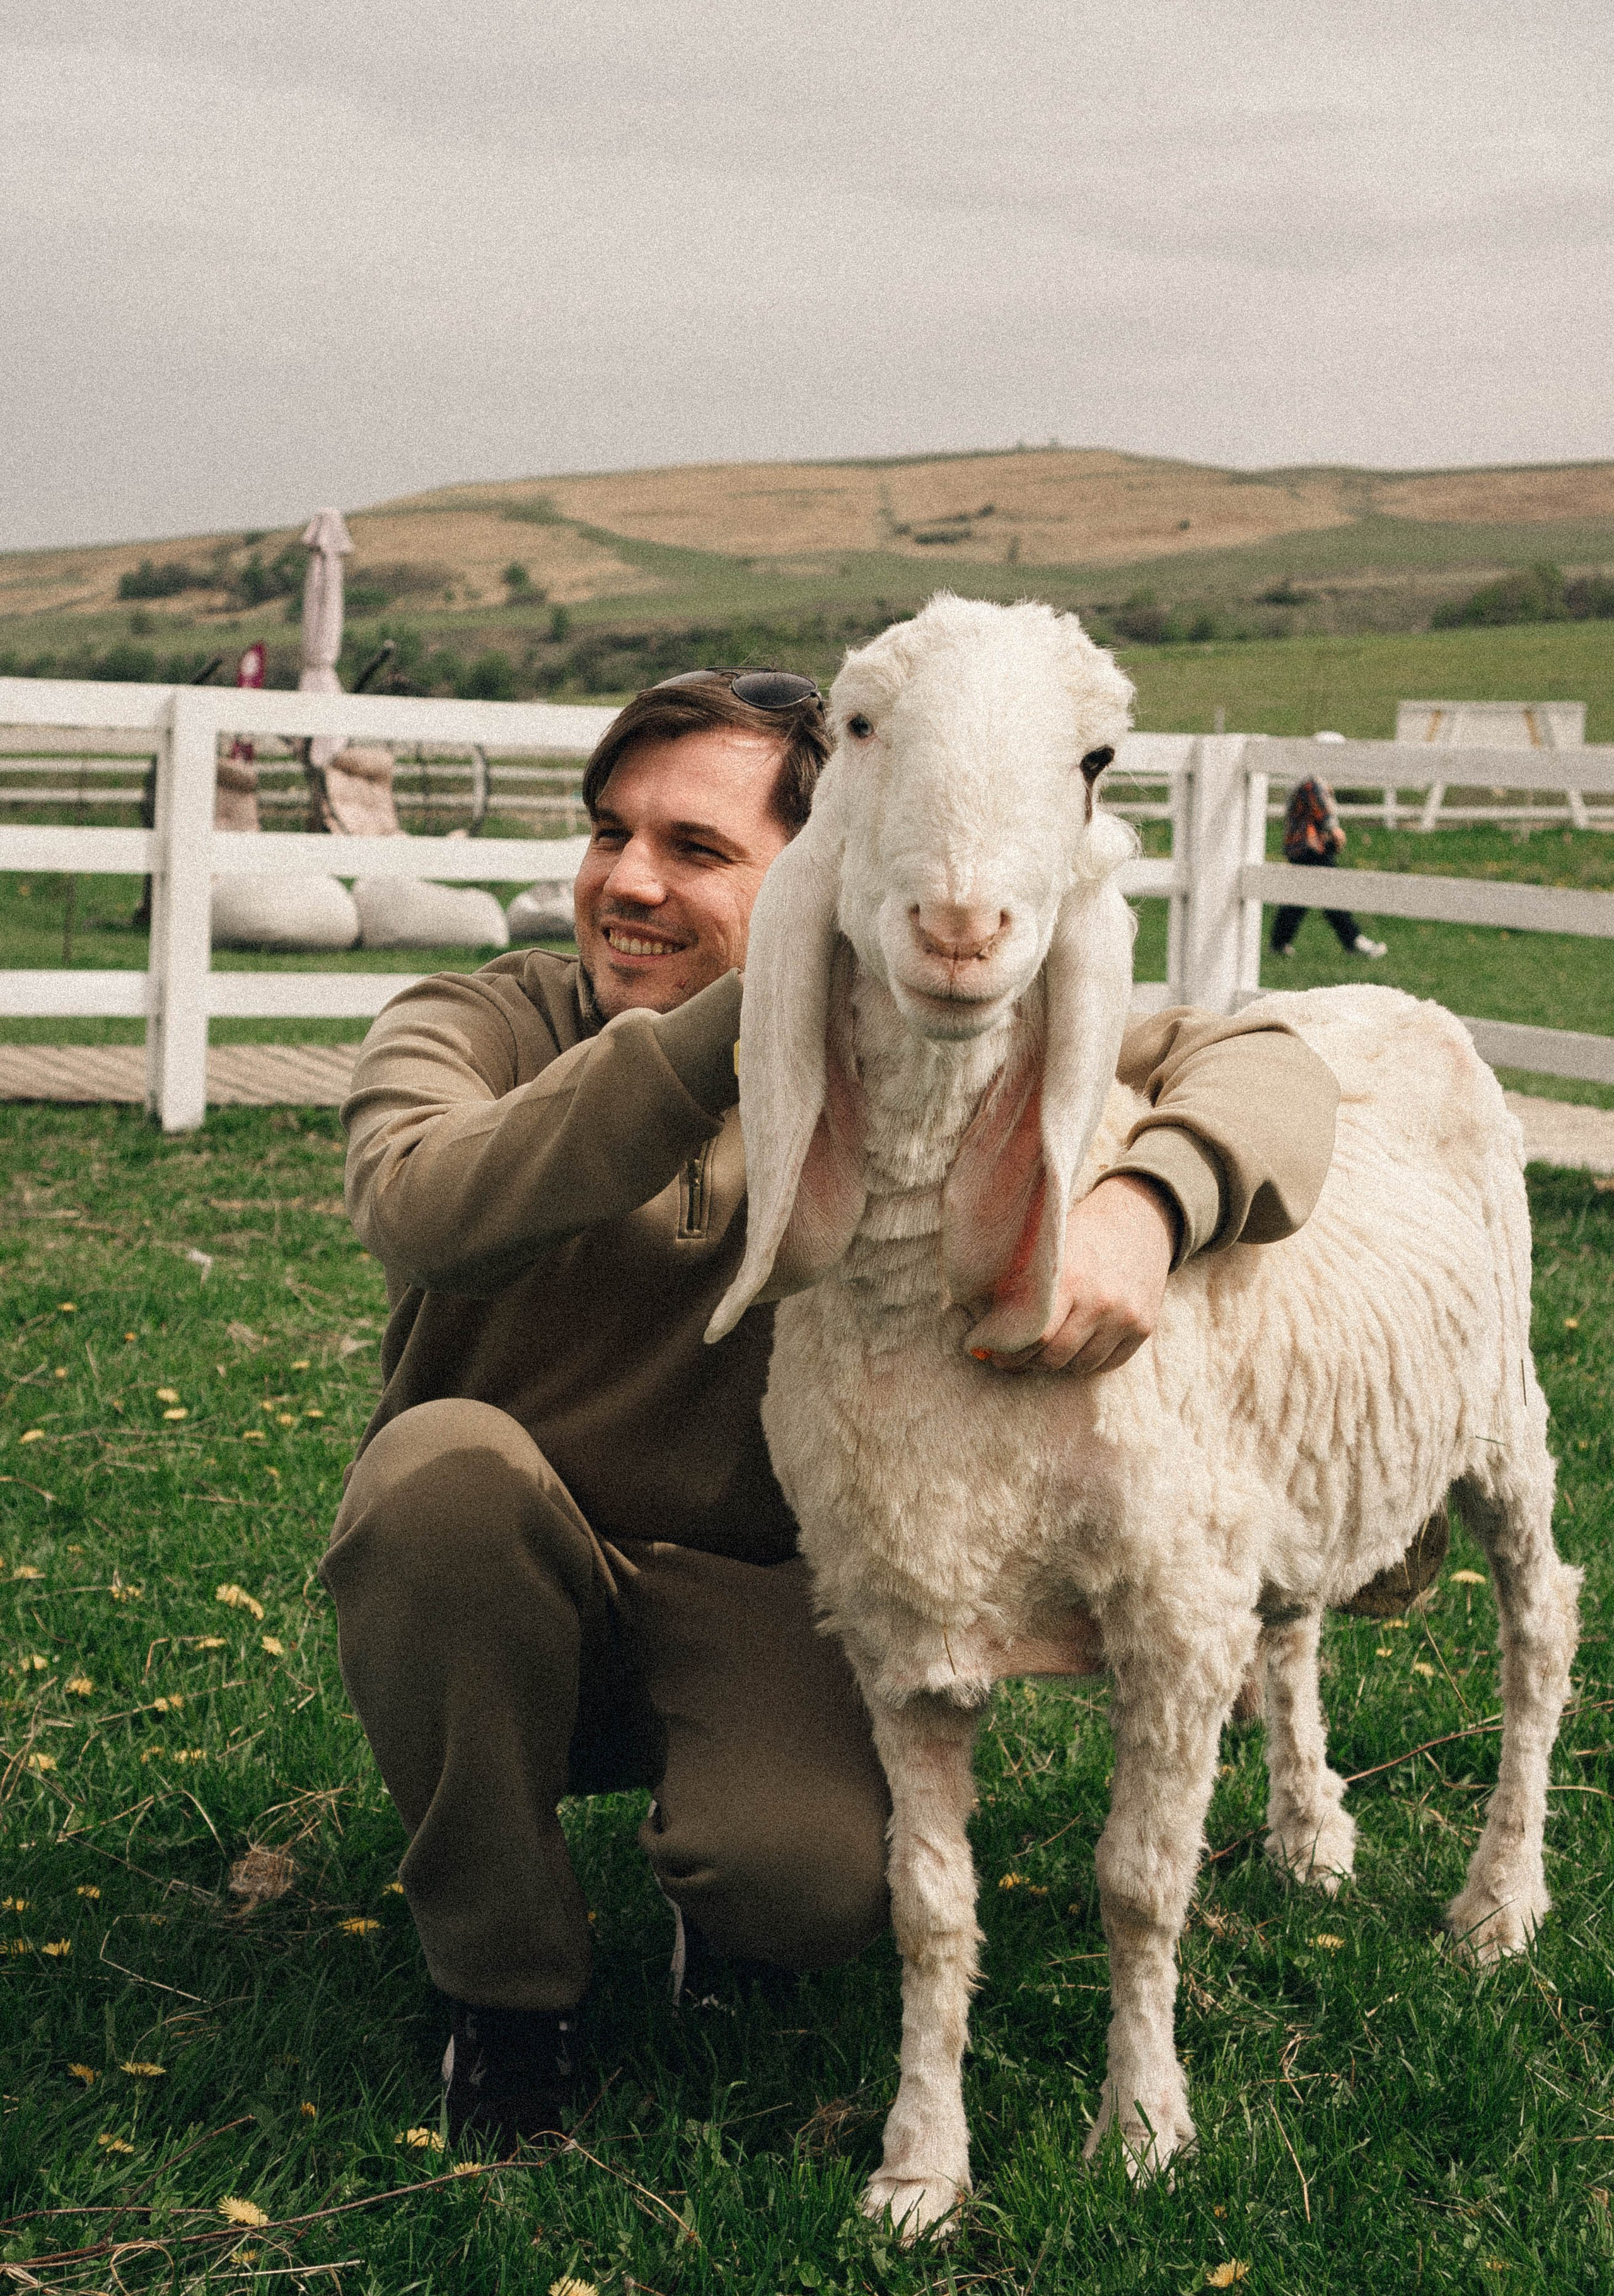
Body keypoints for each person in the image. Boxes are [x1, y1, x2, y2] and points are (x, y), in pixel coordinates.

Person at [322, 667, 1342, 2152]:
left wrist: (1143, 1202)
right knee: (434, 1475)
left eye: (694, 849)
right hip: (501, 1576)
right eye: (611, 832)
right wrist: (749, 1016)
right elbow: (419, 1204)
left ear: (816, 867)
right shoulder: (478, 1018)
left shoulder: (919, 1055)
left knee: (802, 1891)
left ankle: (719, 1895)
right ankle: (509, 1994)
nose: (625, 881)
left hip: (766, 1596)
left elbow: (1267, 1068)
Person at [1270, 733, 1388, 961]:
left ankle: (1279, 943)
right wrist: (1335, 830)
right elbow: (1322, 809)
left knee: (1299, 898)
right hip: (1310, 847)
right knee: (1331, 893)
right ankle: (1353, 940)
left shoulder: (1310, 779)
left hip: (1303, 847)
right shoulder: (1311, 782)